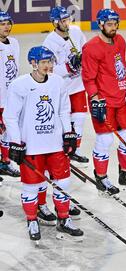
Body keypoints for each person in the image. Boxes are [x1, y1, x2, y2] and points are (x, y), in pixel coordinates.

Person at [3, 46, 83, 243]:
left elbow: (64, 109)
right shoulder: (20, 85)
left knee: (63, 183)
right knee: (31, 187)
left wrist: (68, 133)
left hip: (55, 144)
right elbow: (10, 116)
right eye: (44, 62)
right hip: (31, 146)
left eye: (50, 62)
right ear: (33, 63)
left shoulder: (57, 82)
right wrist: (15, 142)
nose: (48, 66)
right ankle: (32, 220)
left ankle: (63, 218)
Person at [82, 8, 126, 195]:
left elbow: (122, 68)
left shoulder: (120, 41)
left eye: (115, 24)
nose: (113, 27)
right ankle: (101, 177)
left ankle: (125, 174)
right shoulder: (91, 47)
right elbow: (88, 78)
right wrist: (94, 99)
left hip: (119, 97)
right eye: (109, 24)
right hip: (103, 100)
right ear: (100, 24)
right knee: (105, 139)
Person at [43, 6, 89, 165]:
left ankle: (75, 149)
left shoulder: (76, 32)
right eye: (63, 20)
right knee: (64, 121)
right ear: (55, 23)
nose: (66, 23)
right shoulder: (49, 42)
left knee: (80, 119)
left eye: (67, 19)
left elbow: (87, 50)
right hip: (62, 89)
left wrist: (84, 58)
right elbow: (47, 70)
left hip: (79, 85)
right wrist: (69, 67)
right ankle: (63, 149)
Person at [0, 11, 20, 177]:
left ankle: (5, 162)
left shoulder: (14, 42)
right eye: (2, 24)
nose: (6, 27)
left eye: (8, 23)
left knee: (7, 132)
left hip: (10, 98)